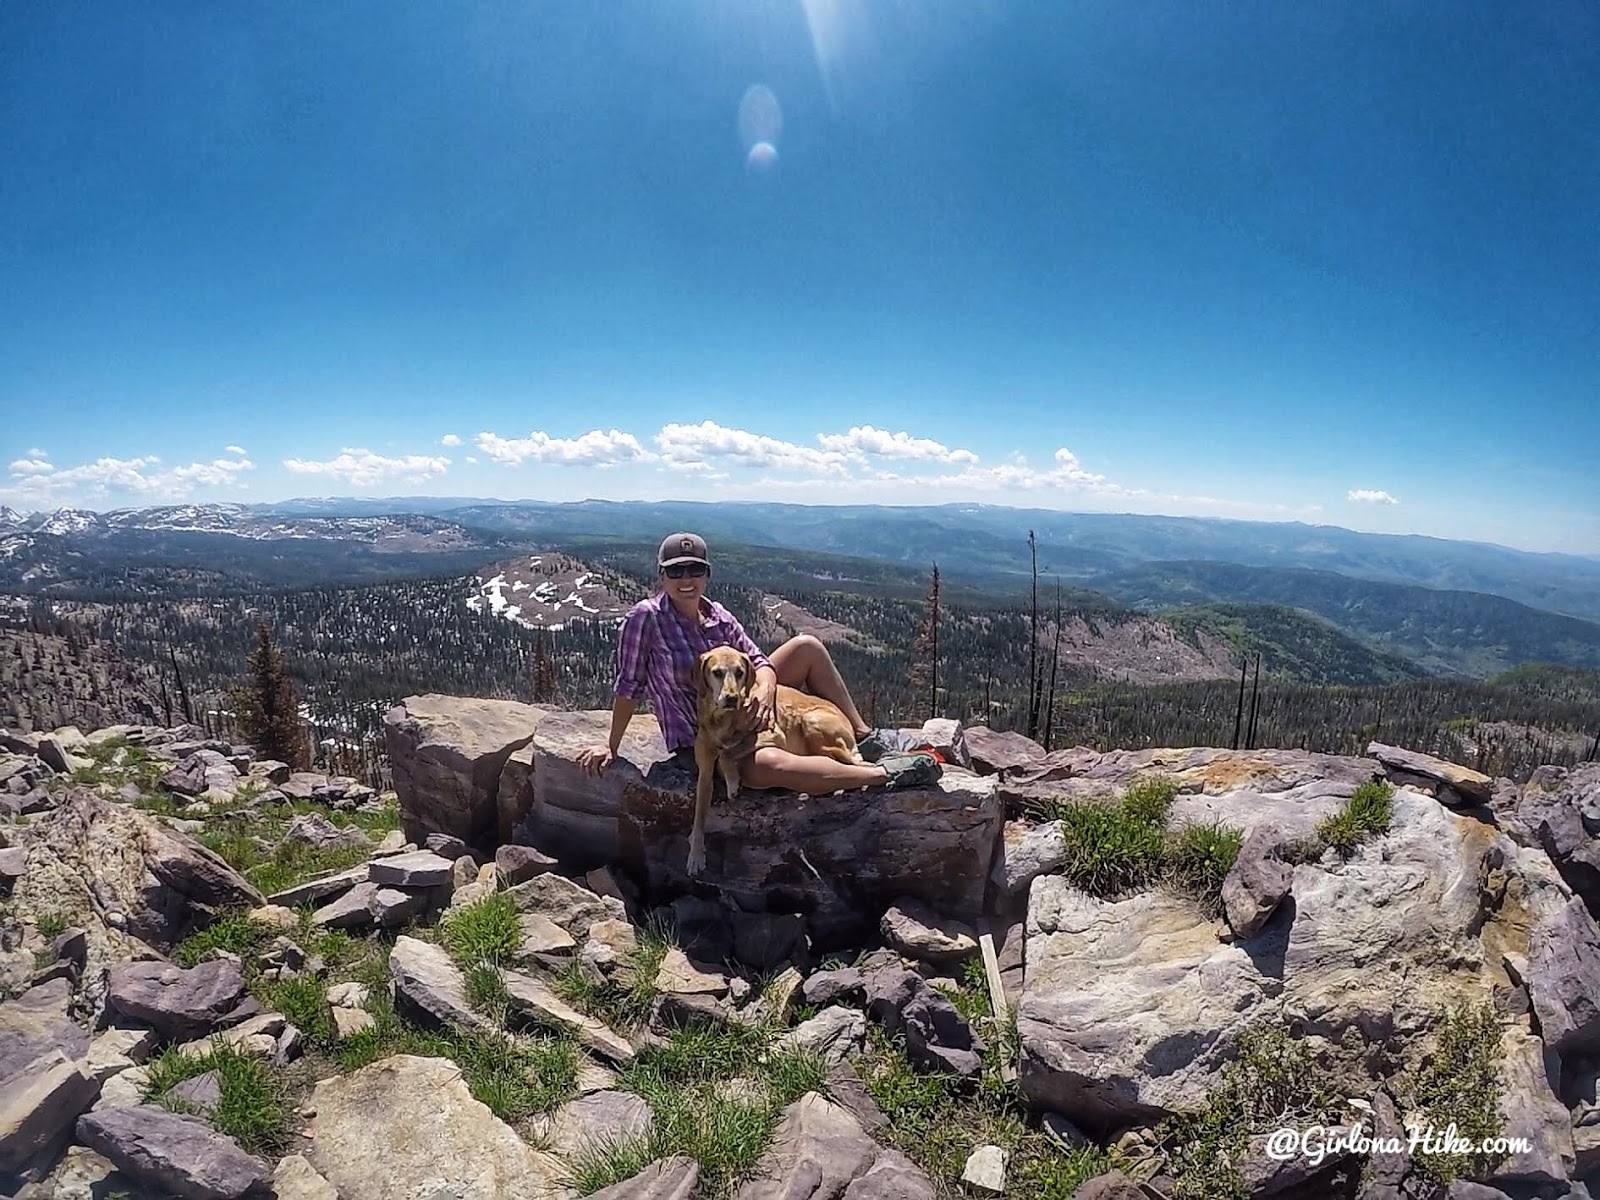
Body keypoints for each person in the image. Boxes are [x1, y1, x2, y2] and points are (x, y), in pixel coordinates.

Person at [577, 532, 942, 793]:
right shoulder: (647, 617)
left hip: (746, 710)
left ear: (707, 574)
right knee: (768, 768)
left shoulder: (717, 615)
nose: (686, 579)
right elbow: (629, 686)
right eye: (675, 571)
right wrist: (612, 745)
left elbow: (758, 661)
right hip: (703, 735)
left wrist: (765, 694)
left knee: (807, 647)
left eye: (694, 570)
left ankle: (864, 737)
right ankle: (881, 775)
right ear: (661, 576)